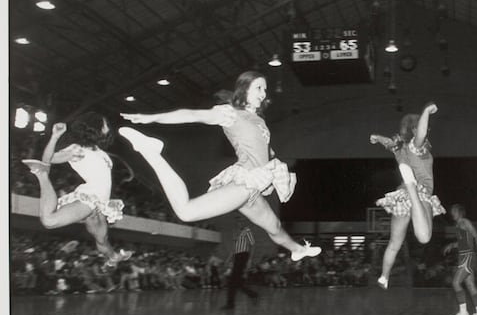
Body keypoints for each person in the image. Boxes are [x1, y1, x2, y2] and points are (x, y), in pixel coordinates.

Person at [119, 70, 321, 262]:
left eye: (265, 89)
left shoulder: (259, 120)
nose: (264, 93)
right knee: (186, 212)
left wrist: (275, 162)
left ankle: (298, 250)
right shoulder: (230, 113)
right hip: (245, 181)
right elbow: (191, 115)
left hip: (253, 188)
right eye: (259, 87)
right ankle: (151, 152)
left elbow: (262, 150)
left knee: (274, 226)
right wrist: (152, 118)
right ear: (245, 88)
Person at [22, 114, 131, 267]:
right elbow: (49, 159)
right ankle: (42, 176)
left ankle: (112, 257)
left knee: (102, 239)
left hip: (101, 202)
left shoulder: (101, 152)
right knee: (49, 221)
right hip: (91, 196)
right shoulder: (78, 149)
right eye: (105, 124)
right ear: (95, 127)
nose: (108, 127)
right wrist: (55, 136)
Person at [371, 103, 445, 289]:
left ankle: (384, 276)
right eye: (424, 127)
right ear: (415, 128)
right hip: (419, 193)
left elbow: (390, 143)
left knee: (395, 243)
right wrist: (426, 112)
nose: (426, 131)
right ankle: (412, 186)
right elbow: (420, 135)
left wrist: (377, 138)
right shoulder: (416, 146)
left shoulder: (400, 148)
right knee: (424, 237)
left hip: (401, 196)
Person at [443, 204, 477, 315]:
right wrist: (453, 245)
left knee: (456, 283)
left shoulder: (465, 222)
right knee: (470, 285)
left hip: (468, 256)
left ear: (459, 212)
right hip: (464, 256)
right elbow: (464, 243)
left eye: (454, 211)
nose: (452, 214)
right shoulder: (458, 225)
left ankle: (463, 313)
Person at [221, 223, 259, 309]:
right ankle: (252, 295)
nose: (238, 222)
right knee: (236, 282)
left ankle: (230, 304)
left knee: (233, 281)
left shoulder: (247, 230)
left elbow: (253, 245)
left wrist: (250, 260)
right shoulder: (236, 233)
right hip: (237, 257)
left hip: (243, 256)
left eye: (240, 219)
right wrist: (228, 259)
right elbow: (234, 248)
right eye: (237, 220)